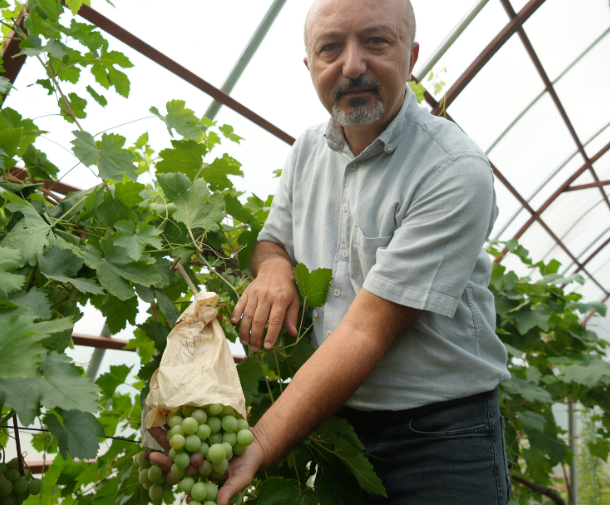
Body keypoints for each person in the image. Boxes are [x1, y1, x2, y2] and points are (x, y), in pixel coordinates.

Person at [150, 0, 512, 503]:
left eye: (376, 42)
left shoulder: (453, 170)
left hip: (442, 441)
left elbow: (365, 330)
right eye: (331, 48)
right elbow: (272, 241)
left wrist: (260, 440)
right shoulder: (306, 151)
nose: (352, 65)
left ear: (412, 56)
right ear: (310, 65)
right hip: (339, 428)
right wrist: (274, 269)